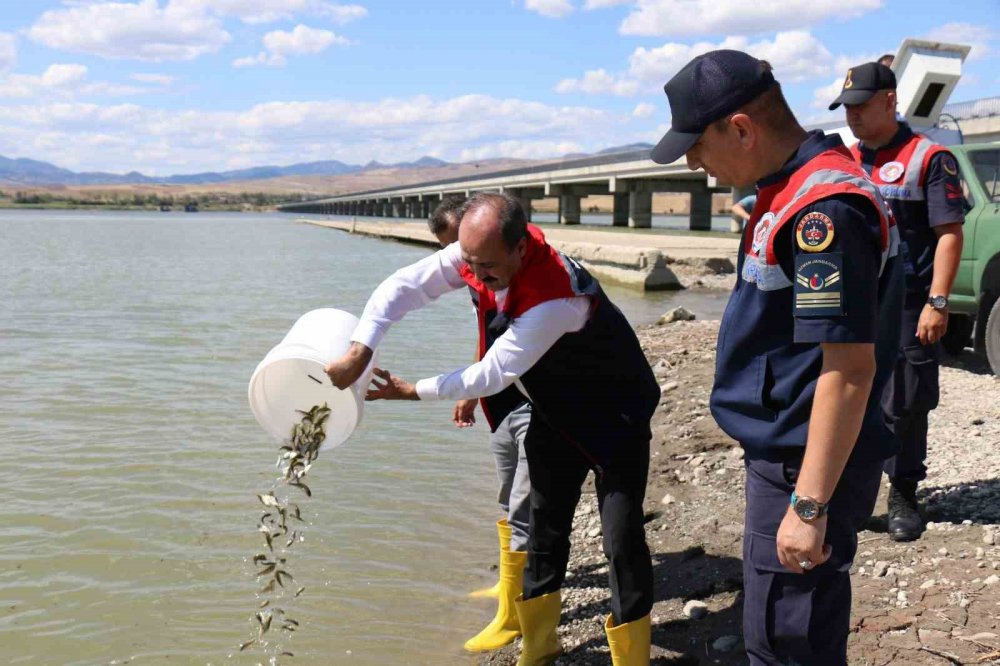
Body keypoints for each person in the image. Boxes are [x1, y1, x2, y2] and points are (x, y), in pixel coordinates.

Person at [326, 192, 660, 665]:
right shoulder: (476, 252)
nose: (476, 278)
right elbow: (400, 287)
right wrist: (362, 348)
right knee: (544, 529)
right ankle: (538, 650)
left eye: (488, 269)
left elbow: (491, 374)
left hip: (615, 413)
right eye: (469, 264)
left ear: (521, 248)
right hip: (555, 411)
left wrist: (411, 390)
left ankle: (633, 659)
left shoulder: (556, 296)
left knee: (621, 538)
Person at [650, 50, 902, 665]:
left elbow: (849, 369)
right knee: (790, 628)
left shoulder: (823, 212)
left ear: (740, 128)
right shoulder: (787, 188)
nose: (692, 162)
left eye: (696, 145)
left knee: (786, 640)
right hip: (790, 447)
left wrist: (808, 506)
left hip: (803, 459)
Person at [830, 61, 965, 542]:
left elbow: (949, 233)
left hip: (909, 302)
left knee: (906, 401)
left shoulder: (929, 157)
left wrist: (939, 302)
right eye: (846, 108)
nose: (852, 116)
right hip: (857, 301)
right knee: (851, 395)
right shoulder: (844, 160)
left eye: (861, 106)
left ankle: (904, 491)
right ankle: (857, 492)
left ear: (889, 100)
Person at [426, 196, 534, 653]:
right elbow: (485, 334)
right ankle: (509, 590)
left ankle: (515, 615)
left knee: (527, 507)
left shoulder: (522, 274)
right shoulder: (478, 275)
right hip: (500, 398)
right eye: (453, 252)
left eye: (468, 251)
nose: (464, 263)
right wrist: (474, 390)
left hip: (535, 399)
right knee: (507, 494)